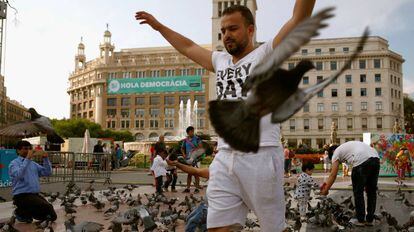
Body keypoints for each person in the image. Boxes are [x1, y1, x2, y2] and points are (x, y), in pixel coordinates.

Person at [135, 1, 315, 230]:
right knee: (218, 228)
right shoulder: (219, 61)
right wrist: (159, 26)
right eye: (222, 31)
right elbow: (188, 46)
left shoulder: (267, 53)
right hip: (224, 158)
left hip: (260, 155)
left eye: (232, 29)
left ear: (250, 30)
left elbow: (299, 18)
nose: (226, 35)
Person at [320, 141, 380, 227]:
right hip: (375, 159)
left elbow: (333, 175)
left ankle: (361, 220)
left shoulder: (335, 153)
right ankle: (370, 219)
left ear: (332, 153)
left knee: (358, 192)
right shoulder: (347, 146)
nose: (341, 162)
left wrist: (325, 190)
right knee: (371, 192)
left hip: (361, 161)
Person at [9, 140, 57, 223]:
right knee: (45, 207)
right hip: (21, 195)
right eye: (25, 149)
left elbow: (47, 172)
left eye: (29, 148)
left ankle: (25, 214)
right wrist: (27, 159)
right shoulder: (14, 164)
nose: (28, 151)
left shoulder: (33, 164)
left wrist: (45, 159)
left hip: (34, 195)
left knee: (52, 216)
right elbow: (18, 175)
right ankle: (20, 212)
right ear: (18, 150)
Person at [181, 126, 202, 193]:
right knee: (189, 173)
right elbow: (182, 148)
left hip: (196, 159)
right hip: (188, 159)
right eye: (191, 131)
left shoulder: (197, 139)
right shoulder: (185, 140)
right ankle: (188, 188)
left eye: (193, 131)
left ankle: (197, 188)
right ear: (188, 132)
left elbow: (200, 147)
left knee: (196, 173)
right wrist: (184, 154)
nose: (192, 132)